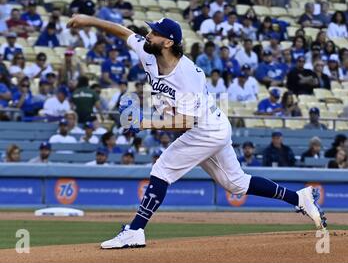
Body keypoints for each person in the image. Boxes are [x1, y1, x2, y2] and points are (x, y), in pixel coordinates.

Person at [67, 13, 327, 249]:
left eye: (154, 32)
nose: (148, 35)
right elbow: (123, 31)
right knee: (235, 183)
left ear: (168, 42)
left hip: (206, 130)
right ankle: (299, 198)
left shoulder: (189, 75)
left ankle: (135, 231)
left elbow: (186, 122)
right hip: (213, 126)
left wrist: (145, 123)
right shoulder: (148, 52)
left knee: (162, 169)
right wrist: (88, 20)